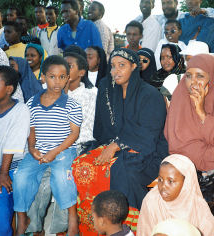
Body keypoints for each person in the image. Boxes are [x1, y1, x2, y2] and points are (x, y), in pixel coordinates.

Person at [72, 48, 168, 235]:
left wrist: (117, 146)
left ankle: (130, 226)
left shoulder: (150, 94)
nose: (116, 71)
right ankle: (93, 227)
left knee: (122, 170)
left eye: (122, 66)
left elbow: (150, 133)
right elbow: (101, 130)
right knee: (81, 164)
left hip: (148, 151)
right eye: (113, 67)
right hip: (113, 147)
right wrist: (108, 148)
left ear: (134, 66)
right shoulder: (108, 90)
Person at [164, 54, 214, 235]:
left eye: (200, 76)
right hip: (188, 168)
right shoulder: (180, 96)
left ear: (213, 78)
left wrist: (202, 114)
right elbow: (179, 147)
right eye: (189, 75)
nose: (193, 82)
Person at [13, 55, 82, 236]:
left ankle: (72, 219)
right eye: (52, 76)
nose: (57, 81)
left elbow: (74, 134)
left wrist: (55, 151)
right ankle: (22, 218)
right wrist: (32, 149)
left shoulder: (72, 105)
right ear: (43, 77)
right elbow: (32, 131)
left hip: (63, 150)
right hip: (39, 151)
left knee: (61, 176)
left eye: (62, 77)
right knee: (20, 176)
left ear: (68, 78)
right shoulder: (32, 103)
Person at [0, 66, 30, 236]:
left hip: (11, 169)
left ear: (9, 89)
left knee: (0, 198)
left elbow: (12, 145)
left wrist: (3, 174)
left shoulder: (21, 110)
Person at [137, 154, 214, 236]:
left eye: (170, 181)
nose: (163, 186)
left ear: (186, 183)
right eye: (160, 179)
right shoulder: (151, 201)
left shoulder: (198, 206)